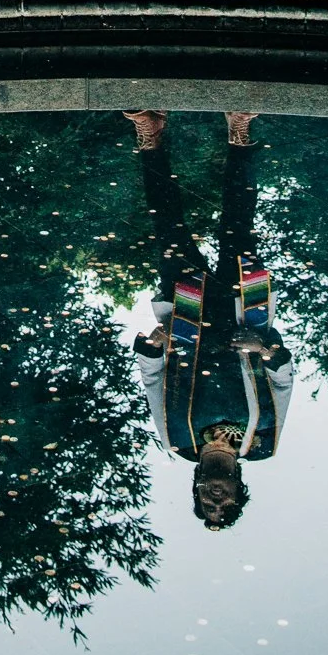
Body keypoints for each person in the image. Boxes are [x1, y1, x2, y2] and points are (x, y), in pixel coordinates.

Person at [126, 109, 293, 529]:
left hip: (188, 320)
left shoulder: (178, 441)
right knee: (239, 227)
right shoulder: (262, 442)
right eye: (226, 506)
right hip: (244, 318)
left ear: (196, 490)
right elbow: (283, 381)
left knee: (167, 229)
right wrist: (264, 348)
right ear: (239, 492)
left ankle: (151, 135)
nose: (215, 501)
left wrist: (154, 346)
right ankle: (239, 131)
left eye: (207, 505)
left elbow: (153, 383)